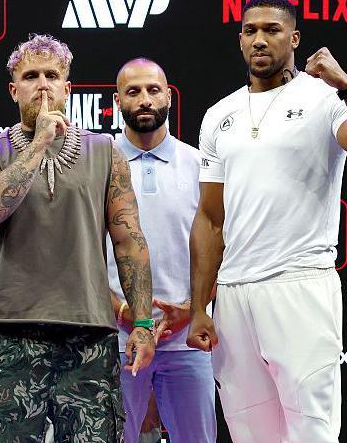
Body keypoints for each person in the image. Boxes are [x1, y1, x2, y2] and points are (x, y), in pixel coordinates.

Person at [186, 0, 347, 442]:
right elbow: (209, 219)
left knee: (312, 432)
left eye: (272, 30)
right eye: (250, 30)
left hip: (299, 282)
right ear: (240, 41)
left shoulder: (325, 99)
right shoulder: (218, 115)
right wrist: (200, 307)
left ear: (295, 38)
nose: (259, 39)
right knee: (248, 432)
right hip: (234, 293)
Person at [0, 33, 155, 442]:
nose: (43, 85)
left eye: (52, 75)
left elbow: (128, 241)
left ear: (68, 87)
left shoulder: (105, 151)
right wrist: (38, 145)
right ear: (14, 90)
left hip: (89, 333)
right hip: (12, 333)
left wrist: (141, 322)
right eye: (31, 76)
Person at [106, 58, 216, 443]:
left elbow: (222, 246)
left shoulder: (200, 164)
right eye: (133, 92)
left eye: (153, 90)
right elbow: (80, 254)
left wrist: (193, 309)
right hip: (116, 338)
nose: (145, 100)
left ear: (168, 96)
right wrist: (123, 312)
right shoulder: (99, 164)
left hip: (187, 336)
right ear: (117, 101)